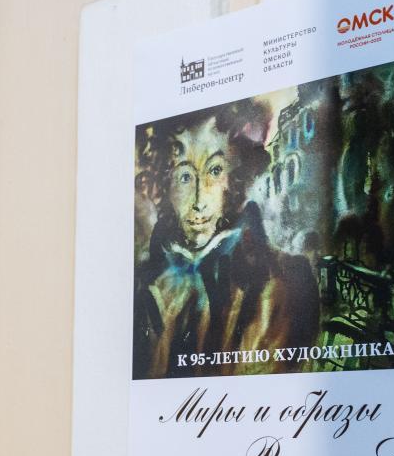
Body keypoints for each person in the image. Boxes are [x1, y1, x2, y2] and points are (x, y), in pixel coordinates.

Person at [134, 111, 319, 378]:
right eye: (184, 177)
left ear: (235, 177)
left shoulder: (279, 282)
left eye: (215, 171)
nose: (199, 200)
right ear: (165, 184)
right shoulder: (149, 283)